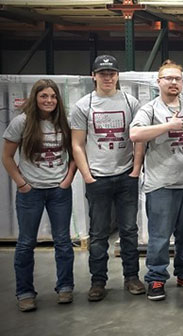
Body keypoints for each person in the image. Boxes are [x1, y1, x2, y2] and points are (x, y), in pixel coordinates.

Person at [130, 60, 183, 301]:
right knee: (159, 236)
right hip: (161, 185)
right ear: (159, 82)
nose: (173, 82)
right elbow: (135, 134)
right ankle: (155, 278)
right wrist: (167, 125)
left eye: (177, 78)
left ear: (182, 82)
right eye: (168, 78)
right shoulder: (150, 109)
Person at [71, 54, 145, 301]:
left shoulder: (130, 101)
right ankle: (98, 281)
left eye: (112, 73)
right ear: (93, 76)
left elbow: (138, 138)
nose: (107, 77)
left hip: (126, 176)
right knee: (99, 233)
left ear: (117, 76)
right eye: (102, 73)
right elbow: (77, 144)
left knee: (129, 230)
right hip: (98, 178)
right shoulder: (84, 105)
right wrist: (87, 175)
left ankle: (132, 277)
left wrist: (135, 169)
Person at [2, 79, 77, 311]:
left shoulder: (64, 122)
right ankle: (25, 292)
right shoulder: (21, 122)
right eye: (44, 96)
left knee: (63, 242)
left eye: (53, 96)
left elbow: (75, 153)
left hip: (59, 191)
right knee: (26, 243)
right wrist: (22, 184)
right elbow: (6, 156)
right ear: (35, 98)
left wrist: (67, 180)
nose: (49, 100)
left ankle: (65, 287)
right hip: (30, 192)